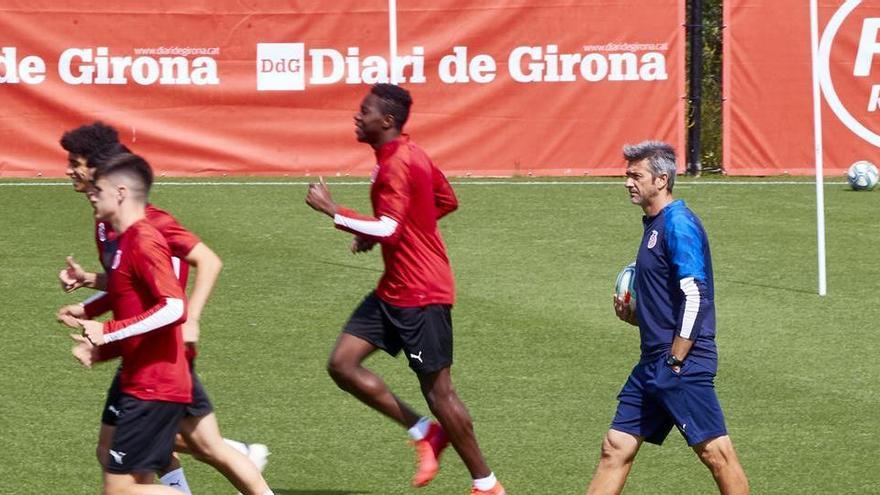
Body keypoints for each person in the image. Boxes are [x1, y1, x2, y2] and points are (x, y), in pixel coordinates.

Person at [305, 83, 505, 495]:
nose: (357, 117)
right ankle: (423, 431)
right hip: (394, 289)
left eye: (365, 111)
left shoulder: (397, 162)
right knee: (343, 364)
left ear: (387, 121)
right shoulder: (405, 154)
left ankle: (486, 484)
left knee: (439, 392)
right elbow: (444, 199)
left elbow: (392, 225)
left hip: (422, 294)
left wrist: (335, 211)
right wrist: (380, 234)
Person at [55, 122, 272, 495]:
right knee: (118, 453)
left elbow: (200, 270)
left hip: (159, 355)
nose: (70, 171)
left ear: (105, 173)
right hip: (138, 353)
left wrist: (192, 320)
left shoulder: (149, 227)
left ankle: (237, 455)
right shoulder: (108, 224)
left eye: (76, 163)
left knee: (148, 468)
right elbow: (127, 282)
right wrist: (90, 294)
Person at [585, 141, 749, 495]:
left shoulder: (679, 224)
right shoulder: (654, 224)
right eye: (626, 175)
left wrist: (676, 358)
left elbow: (696, 295)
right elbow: (668, 298)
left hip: (681, 361)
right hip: (653, 361)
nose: (627, 182)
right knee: (616, 446)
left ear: (661, 180)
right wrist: (637, 316)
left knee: (717, 454)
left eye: (635, 175)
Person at [65, 152, 194, 494]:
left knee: (120, 490)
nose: (91, 193)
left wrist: (107, 332)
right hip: (139, 379)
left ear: (121, 192)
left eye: (99, 189)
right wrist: (97, 340)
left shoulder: (144, 240)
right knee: (124, 475)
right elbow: (133, 307)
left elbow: (173, 308)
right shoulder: (124, 242)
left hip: (156, 384)